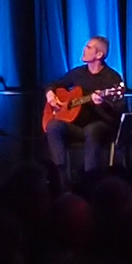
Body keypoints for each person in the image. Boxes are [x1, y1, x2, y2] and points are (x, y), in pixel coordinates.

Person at [44, 36, 126, 187]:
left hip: (101, 127)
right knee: (53, 125)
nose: (84, 49)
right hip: (77, 127)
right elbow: (55, 84)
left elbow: (119, 110)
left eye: (88, 47)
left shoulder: (112, 78)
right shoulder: (78, 73)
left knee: (92, 129)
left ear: (99, 55)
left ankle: (90, 182)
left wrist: (102, 104)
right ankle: (61, 179)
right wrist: (50, 93)